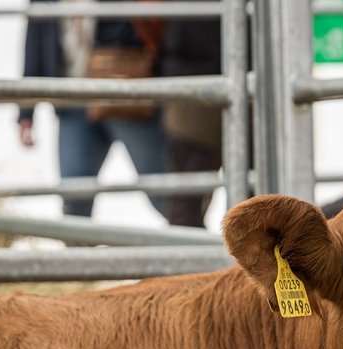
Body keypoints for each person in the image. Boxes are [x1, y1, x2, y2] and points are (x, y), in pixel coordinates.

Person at [19, 0, 166, 218]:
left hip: (125, 94)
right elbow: (36, 41)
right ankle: (79, 250)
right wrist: (26, 110)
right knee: (74, 198)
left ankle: (195, 246)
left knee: (165, 192)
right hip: (73, 99)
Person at [159, 11, 222, 227]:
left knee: (260, 202)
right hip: (192, 79)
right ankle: (189, 258)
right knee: (187, 201)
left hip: (192, 75)